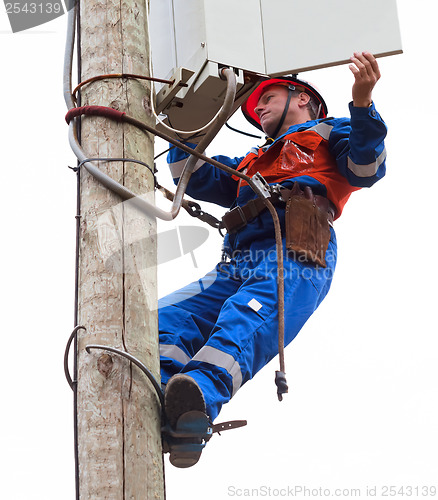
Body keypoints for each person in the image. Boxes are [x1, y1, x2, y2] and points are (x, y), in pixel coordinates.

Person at [159, 52, 387, 460]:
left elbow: (365, 167)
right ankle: (155, 390)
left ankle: (198, 399)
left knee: (249, 313)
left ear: (302, 98)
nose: (258, 106)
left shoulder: (331, 131)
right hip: (239, 260)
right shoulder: (253, 161)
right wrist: (186, 116)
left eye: (268, 96)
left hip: (298, 245)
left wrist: (363, 103)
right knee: (167, 317)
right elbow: (189, 175)